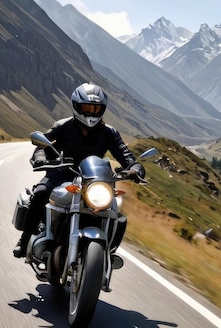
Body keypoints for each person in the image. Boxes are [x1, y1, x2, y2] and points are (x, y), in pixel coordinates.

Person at [13, 82, 145, 258]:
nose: (91, 112)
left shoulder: (109, 133)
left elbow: (126, 155)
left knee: (115, 209)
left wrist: (135, 169)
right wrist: (40, 159)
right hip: (62, 175)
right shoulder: (63, 126)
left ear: (102, 109)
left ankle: (106, 253)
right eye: (86, 107)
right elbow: (43, 145)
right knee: (40, 193)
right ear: (76, 106)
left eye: (96, 109)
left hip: (94, 181)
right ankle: (25, 238)